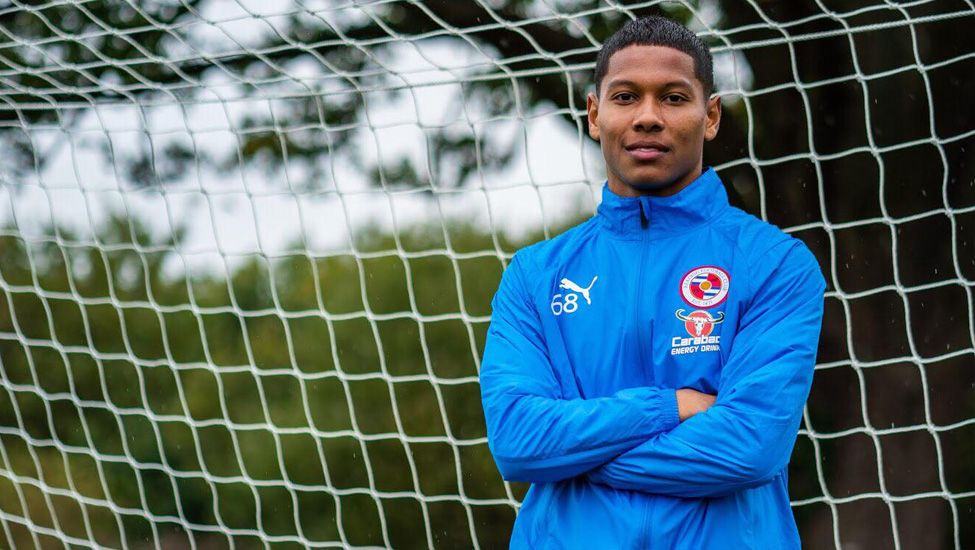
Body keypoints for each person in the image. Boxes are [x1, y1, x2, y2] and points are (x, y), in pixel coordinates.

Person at [479, 15, 826, 549]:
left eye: (671, 97)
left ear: (709, 116)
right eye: (624, 97)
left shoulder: (775, 264)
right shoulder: (535, 276)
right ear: (594, 115)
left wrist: (573, 457)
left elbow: (749, 446)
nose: (647, 117)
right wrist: (670, 407)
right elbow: (518, 442)